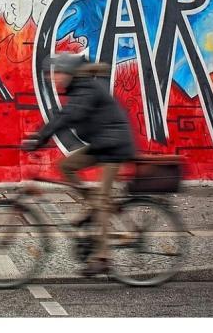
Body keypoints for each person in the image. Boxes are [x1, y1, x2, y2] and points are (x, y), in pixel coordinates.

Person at [22, 53, 136, 276]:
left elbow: (68, 116)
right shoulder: (79, 88)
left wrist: (40, 138)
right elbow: (64, 116)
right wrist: (40, 136)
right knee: (66, 166)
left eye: (58, 73)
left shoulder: (86, 88)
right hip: (102, 143)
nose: (54, 78)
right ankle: (92, 207)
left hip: (113, 147)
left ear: (70, 73)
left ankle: (102, 257)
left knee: (102, 202)